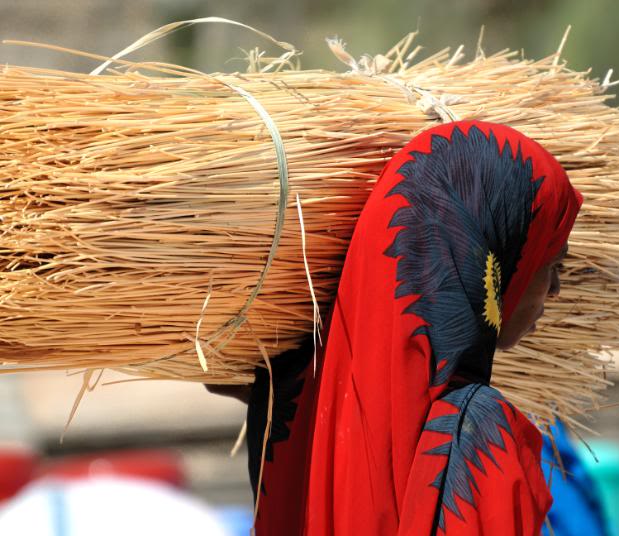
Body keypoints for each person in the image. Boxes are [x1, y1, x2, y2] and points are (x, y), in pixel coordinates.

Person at [211, 120, 582, 535]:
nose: (555, 289)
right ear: (494, 261)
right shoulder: (477, 432)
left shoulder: (292, 405)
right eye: (551, 264)